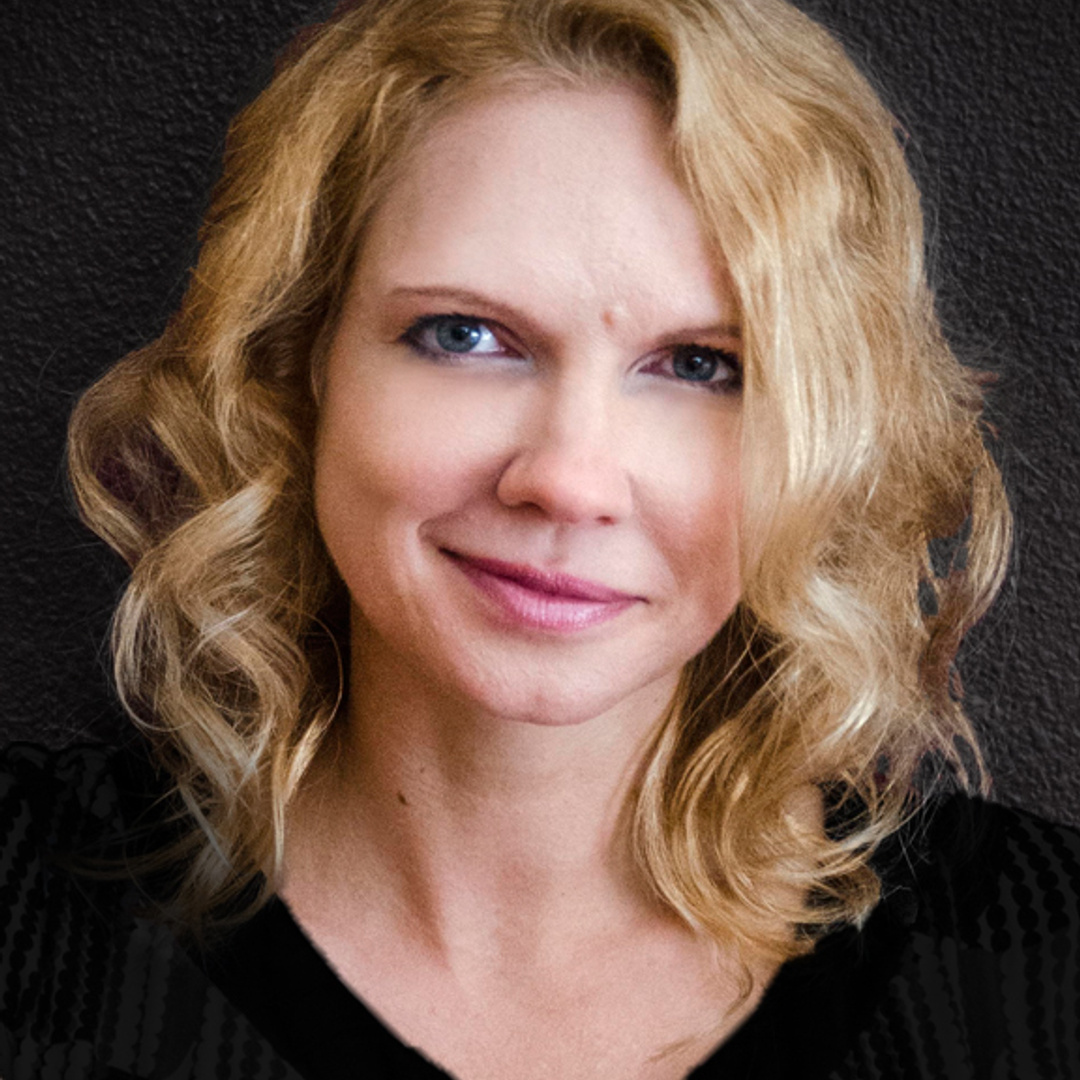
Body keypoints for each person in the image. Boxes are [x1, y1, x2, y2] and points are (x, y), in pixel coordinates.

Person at [1, 0, 1077, 1077]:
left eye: (702, 364)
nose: (567, 479)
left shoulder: (1040, 965)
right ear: (301, 362)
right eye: (465, 335)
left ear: (825, 433)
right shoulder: (25, 916)